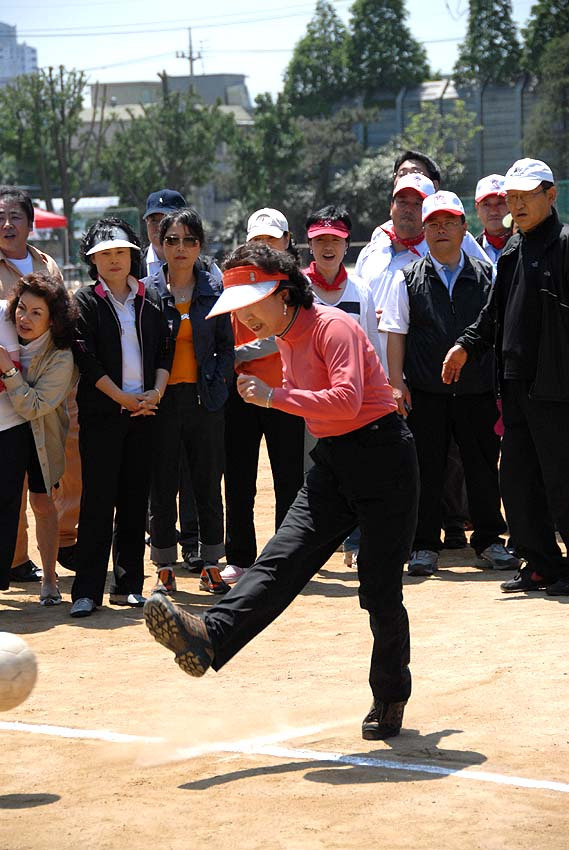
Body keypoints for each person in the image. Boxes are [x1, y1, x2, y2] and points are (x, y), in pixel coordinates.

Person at [144, 241, 420, 742]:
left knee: (379, 591)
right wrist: (277, 397)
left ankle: (389, 695)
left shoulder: (333, 326)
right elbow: (325, 414)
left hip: (384, 460)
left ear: (281, 292)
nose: (242, 317)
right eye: (236, 309)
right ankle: (210, 636)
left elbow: (346, 400)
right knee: (279, 560)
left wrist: (275, 397)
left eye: (250, 305)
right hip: (336, 462)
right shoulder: (285, 334)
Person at [442, 158, 569, 597]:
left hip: (557, 386)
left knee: (561, 479)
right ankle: (540, 565)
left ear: (550, 196)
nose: (516, 205)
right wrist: (466, 344)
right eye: (511, 198)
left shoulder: (565, 245)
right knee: (516, 480)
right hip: (515, 384)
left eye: (524, 197)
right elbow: (494, 314)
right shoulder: (514, 250)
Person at [381, 190, 518, 577]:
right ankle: (424, 544)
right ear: (424, 231)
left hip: (477, 390)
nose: (441, 230)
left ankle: (490, 539)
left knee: (482, 467)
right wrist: (396, 383)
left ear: (463, 228)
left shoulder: (484, 274)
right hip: (425, 392)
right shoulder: (406, 278)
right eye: (433, 224)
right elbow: (395, 333)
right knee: (425, 469)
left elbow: (494, 329)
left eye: (449, 223)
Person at [70, 218, 172, 617]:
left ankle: (128, 586)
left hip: (145, 413)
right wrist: (123, 399)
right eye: (104, 255)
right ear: (93, 260)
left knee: (133, 502)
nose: (113, 260)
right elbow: (87, 362)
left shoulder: (150, 299)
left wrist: (155, 394)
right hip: (102, 416)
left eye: (119, 252)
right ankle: (87, 591)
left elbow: (165, 349)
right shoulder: (84, 302)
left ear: (132, 254)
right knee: (97, 503)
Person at [144, 207, 233, 595]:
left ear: (200, 246)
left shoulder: (214, 290)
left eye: (189, 240)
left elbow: (226, 348)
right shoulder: (146, 292)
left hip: (204, 400)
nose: (181, 248)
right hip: (162, 402)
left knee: (207, 486)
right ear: (161, 245)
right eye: (172, 240)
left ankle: (212, 563)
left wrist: (217, 386)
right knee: (162, 487)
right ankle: (165, 567)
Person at [0, 186, 81, 583]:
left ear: (31, 224)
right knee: (8, 488)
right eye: (0, 216)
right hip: (5, 394)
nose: (6, 224)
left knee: (55, 479)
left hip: (50, 386)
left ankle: (65, 547)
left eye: (15, 216)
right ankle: (15, 559)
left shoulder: (47, 265)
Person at [221, 208, 305, 586]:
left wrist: (238, 354)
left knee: (289, 476)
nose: (265, 246)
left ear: (287, 241)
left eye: (272, 239)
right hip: (240, 394)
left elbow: (288, 333)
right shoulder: (235, 284)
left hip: (285, 390)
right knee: (239, 478)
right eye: (258, 240)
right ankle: (239, 556)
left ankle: (287, 556)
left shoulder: (295, 285)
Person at [303, 204, 381, 566]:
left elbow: (371, 348)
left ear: (347, 243)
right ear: (309, 244)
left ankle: (355, 541)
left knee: (356, 471)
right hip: (308, 402)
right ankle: (316, 546)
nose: (328, 246)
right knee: (314, 474)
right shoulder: (298, 290)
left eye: (335, 239)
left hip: (352, 402)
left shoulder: (361, 291)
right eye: (321, 240)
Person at [474, 175, 512, 266]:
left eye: (500, 203)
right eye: (486, 204)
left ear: (511, 205)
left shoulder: (524, 246)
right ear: (477, 208)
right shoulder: (470, 250)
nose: (494, 211)